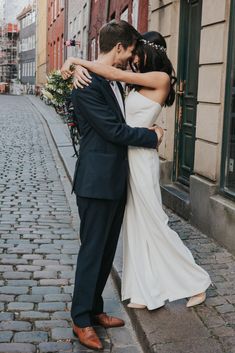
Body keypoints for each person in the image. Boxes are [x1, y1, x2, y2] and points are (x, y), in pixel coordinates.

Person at [61, 30, 211, 314]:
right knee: (135, 226)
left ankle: (195, 281)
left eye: (136, 53)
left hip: (141, 160)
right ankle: (141, 289)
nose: (132, 59)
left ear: (148, 52)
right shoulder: (131, 84)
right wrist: (73, 67)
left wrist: (76, 60)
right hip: (122, 163)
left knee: (154, 222)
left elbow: (114, 76)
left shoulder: (159, 78)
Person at [61, 21, 164, 351]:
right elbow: (113, 132)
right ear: (118, 48)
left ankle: (94, 310)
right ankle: (80, 319)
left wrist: (73, 61)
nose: (132, 57)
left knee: (106, 252)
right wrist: (152, 137)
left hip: (116, 179)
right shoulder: (87, 83)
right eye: (131, 50)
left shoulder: (109, 79)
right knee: (92, 251)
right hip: (96, 180)